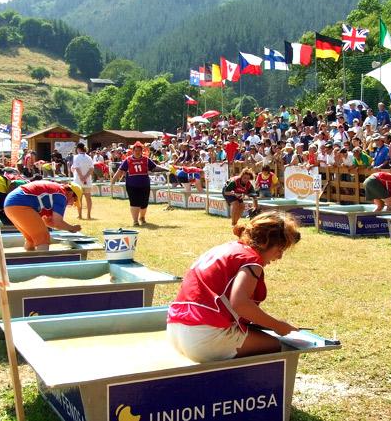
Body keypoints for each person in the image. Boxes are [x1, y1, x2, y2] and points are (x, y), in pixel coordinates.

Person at [167, 212, 301, 363]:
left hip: (174, 330)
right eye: (280, 249)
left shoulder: (226, 249)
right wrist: (277, 326)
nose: (279, 257)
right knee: (275, 345)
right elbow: (240, 304)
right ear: (265, 242)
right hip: (202, 336)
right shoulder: (252, 260)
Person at [3, 180, 83, 251]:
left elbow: (49, 222)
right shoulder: (61, 195)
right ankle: (43, 264)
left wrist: (69, 228)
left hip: (10, 205)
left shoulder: (55, 191)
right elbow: (58, 223)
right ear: (71, 193)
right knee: (43, 238)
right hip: (20, 204)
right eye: (75, 200)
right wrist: (72, 228)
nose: (72, 204)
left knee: (31, 240)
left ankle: (27, 261)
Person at [111, 141, 169, 226]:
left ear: (141, 151)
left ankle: (142, 217)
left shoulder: (146, 159)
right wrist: (113, 181)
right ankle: (135, 221)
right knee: (134, 202)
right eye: (136, 150)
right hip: (132, 185)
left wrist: (165, 169)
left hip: (144, 185)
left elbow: (154, 167)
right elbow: (120, 171)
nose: (137, 152)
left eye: (139, 150)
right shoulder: (128, 160)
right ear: (133, 151)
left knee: (144, 203)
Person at [71, 143, 94, 220]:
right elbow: (91, 169)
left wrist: (81, 177)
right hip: (87, 181)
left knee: (78, 198)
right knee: (88, 198)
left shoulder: (76, 157)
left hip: (78, 180)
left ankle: (80, 215)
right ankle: (89, 215)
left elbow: (77, 168)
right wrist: (85, 177)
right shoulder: (89, 157)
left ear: (78, 149)